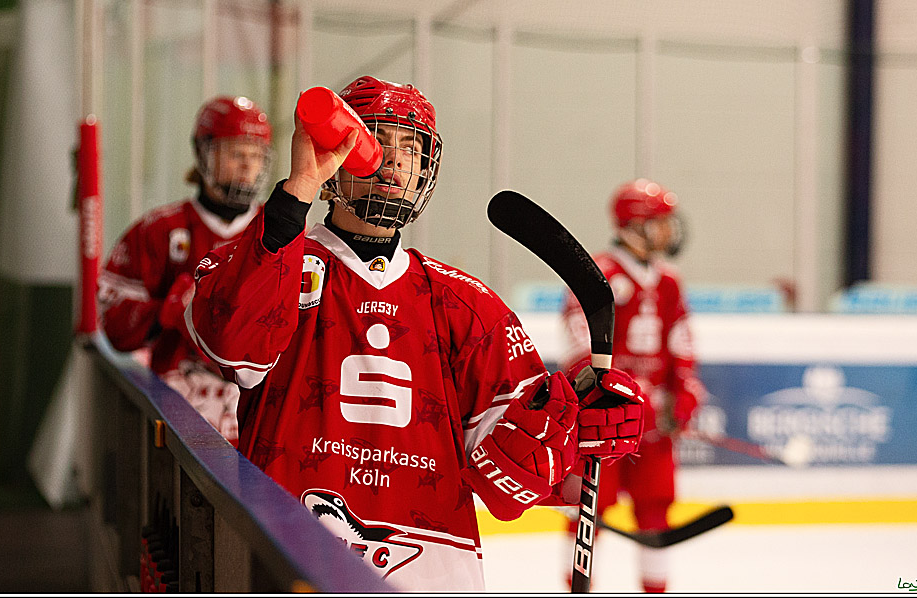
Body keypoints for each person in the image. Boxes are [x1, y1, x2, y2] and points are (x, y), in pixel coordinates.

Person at [184, 76, 646, 591]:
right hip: (290, 558)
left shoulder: (467, 304)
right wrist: (298, 193)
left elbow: (508, 480)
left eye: (411, 147)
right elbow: (232, 347)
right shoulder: (276, 262)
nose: (395, 160)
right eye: (377, 139)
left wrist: (578, 422)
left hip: (432, 572)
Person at [97, 95, 273, 447]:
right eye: (235, 153)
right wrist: (165, 311)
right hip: (177, 417)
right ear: (204, 153)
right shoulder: (159, 229)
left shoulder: (278, 233)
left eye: (255, 155)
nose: (247, 165)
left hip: (256, 419)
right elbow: (113, 321)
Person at [559, 179, 706, 593]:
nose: (668, 231)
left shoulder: (669, 281)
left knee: (655, 508)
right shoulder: (598, 274)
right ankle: (578, 587)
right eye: (660, 222)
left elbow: (681, 342)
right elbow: (579, 345)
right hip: (603, 422)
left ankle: (655, 590)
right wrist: (602, 394)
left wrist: (685, 391)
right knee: (589, 510)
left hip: (653, 426)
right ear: (635, 225)